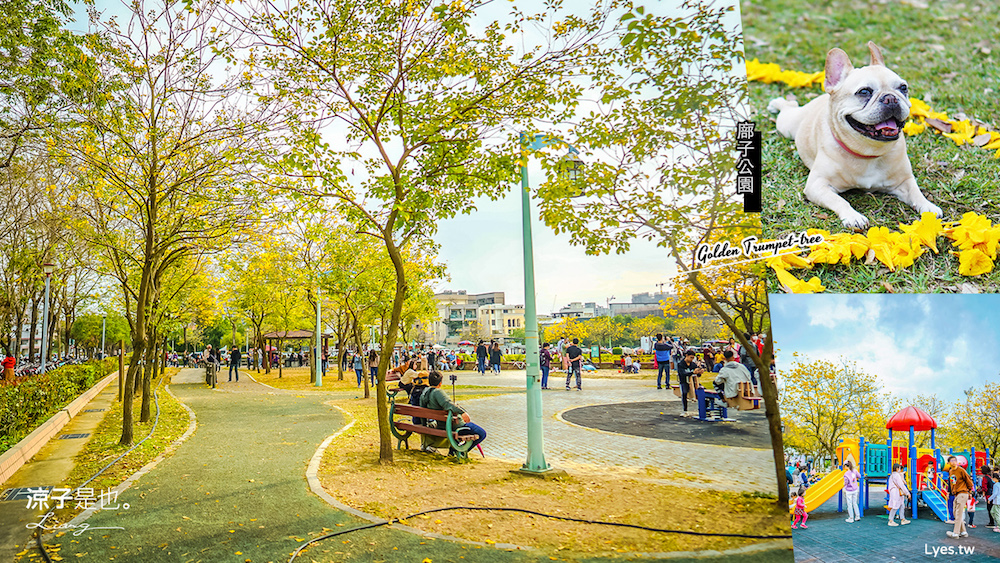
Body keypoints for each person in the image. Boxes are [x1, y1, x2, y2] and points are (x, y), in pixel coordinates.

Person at [419, 370, 486, 455]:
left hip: (440, 424)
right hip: (450, 426)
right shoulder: (437, 392)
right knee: (481, 433)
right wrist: (462, 412)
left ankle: (453, 451)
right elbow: (448, 404)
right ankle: (460, 452)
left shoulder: (424, 393)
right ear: (440, 383)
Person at [946, 455, 974, 538]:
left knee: (958, 513)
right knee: (955, 512)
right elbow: (952, 483)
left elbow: (969, 481)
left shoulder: (961, 470)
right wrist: (950, 492)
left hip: (963, 492)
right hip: (956, 493)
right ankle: (963, 532)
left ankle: (956, 532)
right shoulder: (951, 471)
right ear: (948, 463)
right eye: (952, 461)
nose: (954, 462)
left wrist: (970, 491)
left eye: (955, 460)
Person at [675, 349, 704, 417]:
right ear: (686, 356)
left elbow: (697, 375)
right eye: (691, 357)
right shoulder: (681, 364)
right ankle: (685, 410)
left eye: (693, 358)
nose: (692, 359)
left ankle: (704, 410)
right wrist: (692, 372)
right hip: (684, 381)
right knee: (684, 393)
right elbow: (682, 373)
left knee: (703, 391)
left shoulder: (693, 364)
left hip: (693, 382)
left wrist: (699, 372)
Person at [981, 465, 995, 529]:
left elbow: (985, 487)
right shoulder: (989, 477)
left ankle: (991, 522)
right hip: (992, 493)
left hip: (988, 494)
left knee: (989, 508)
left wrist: (983, 492)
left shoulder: (985, 478)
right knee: (992, 507)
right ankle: (992, 521)